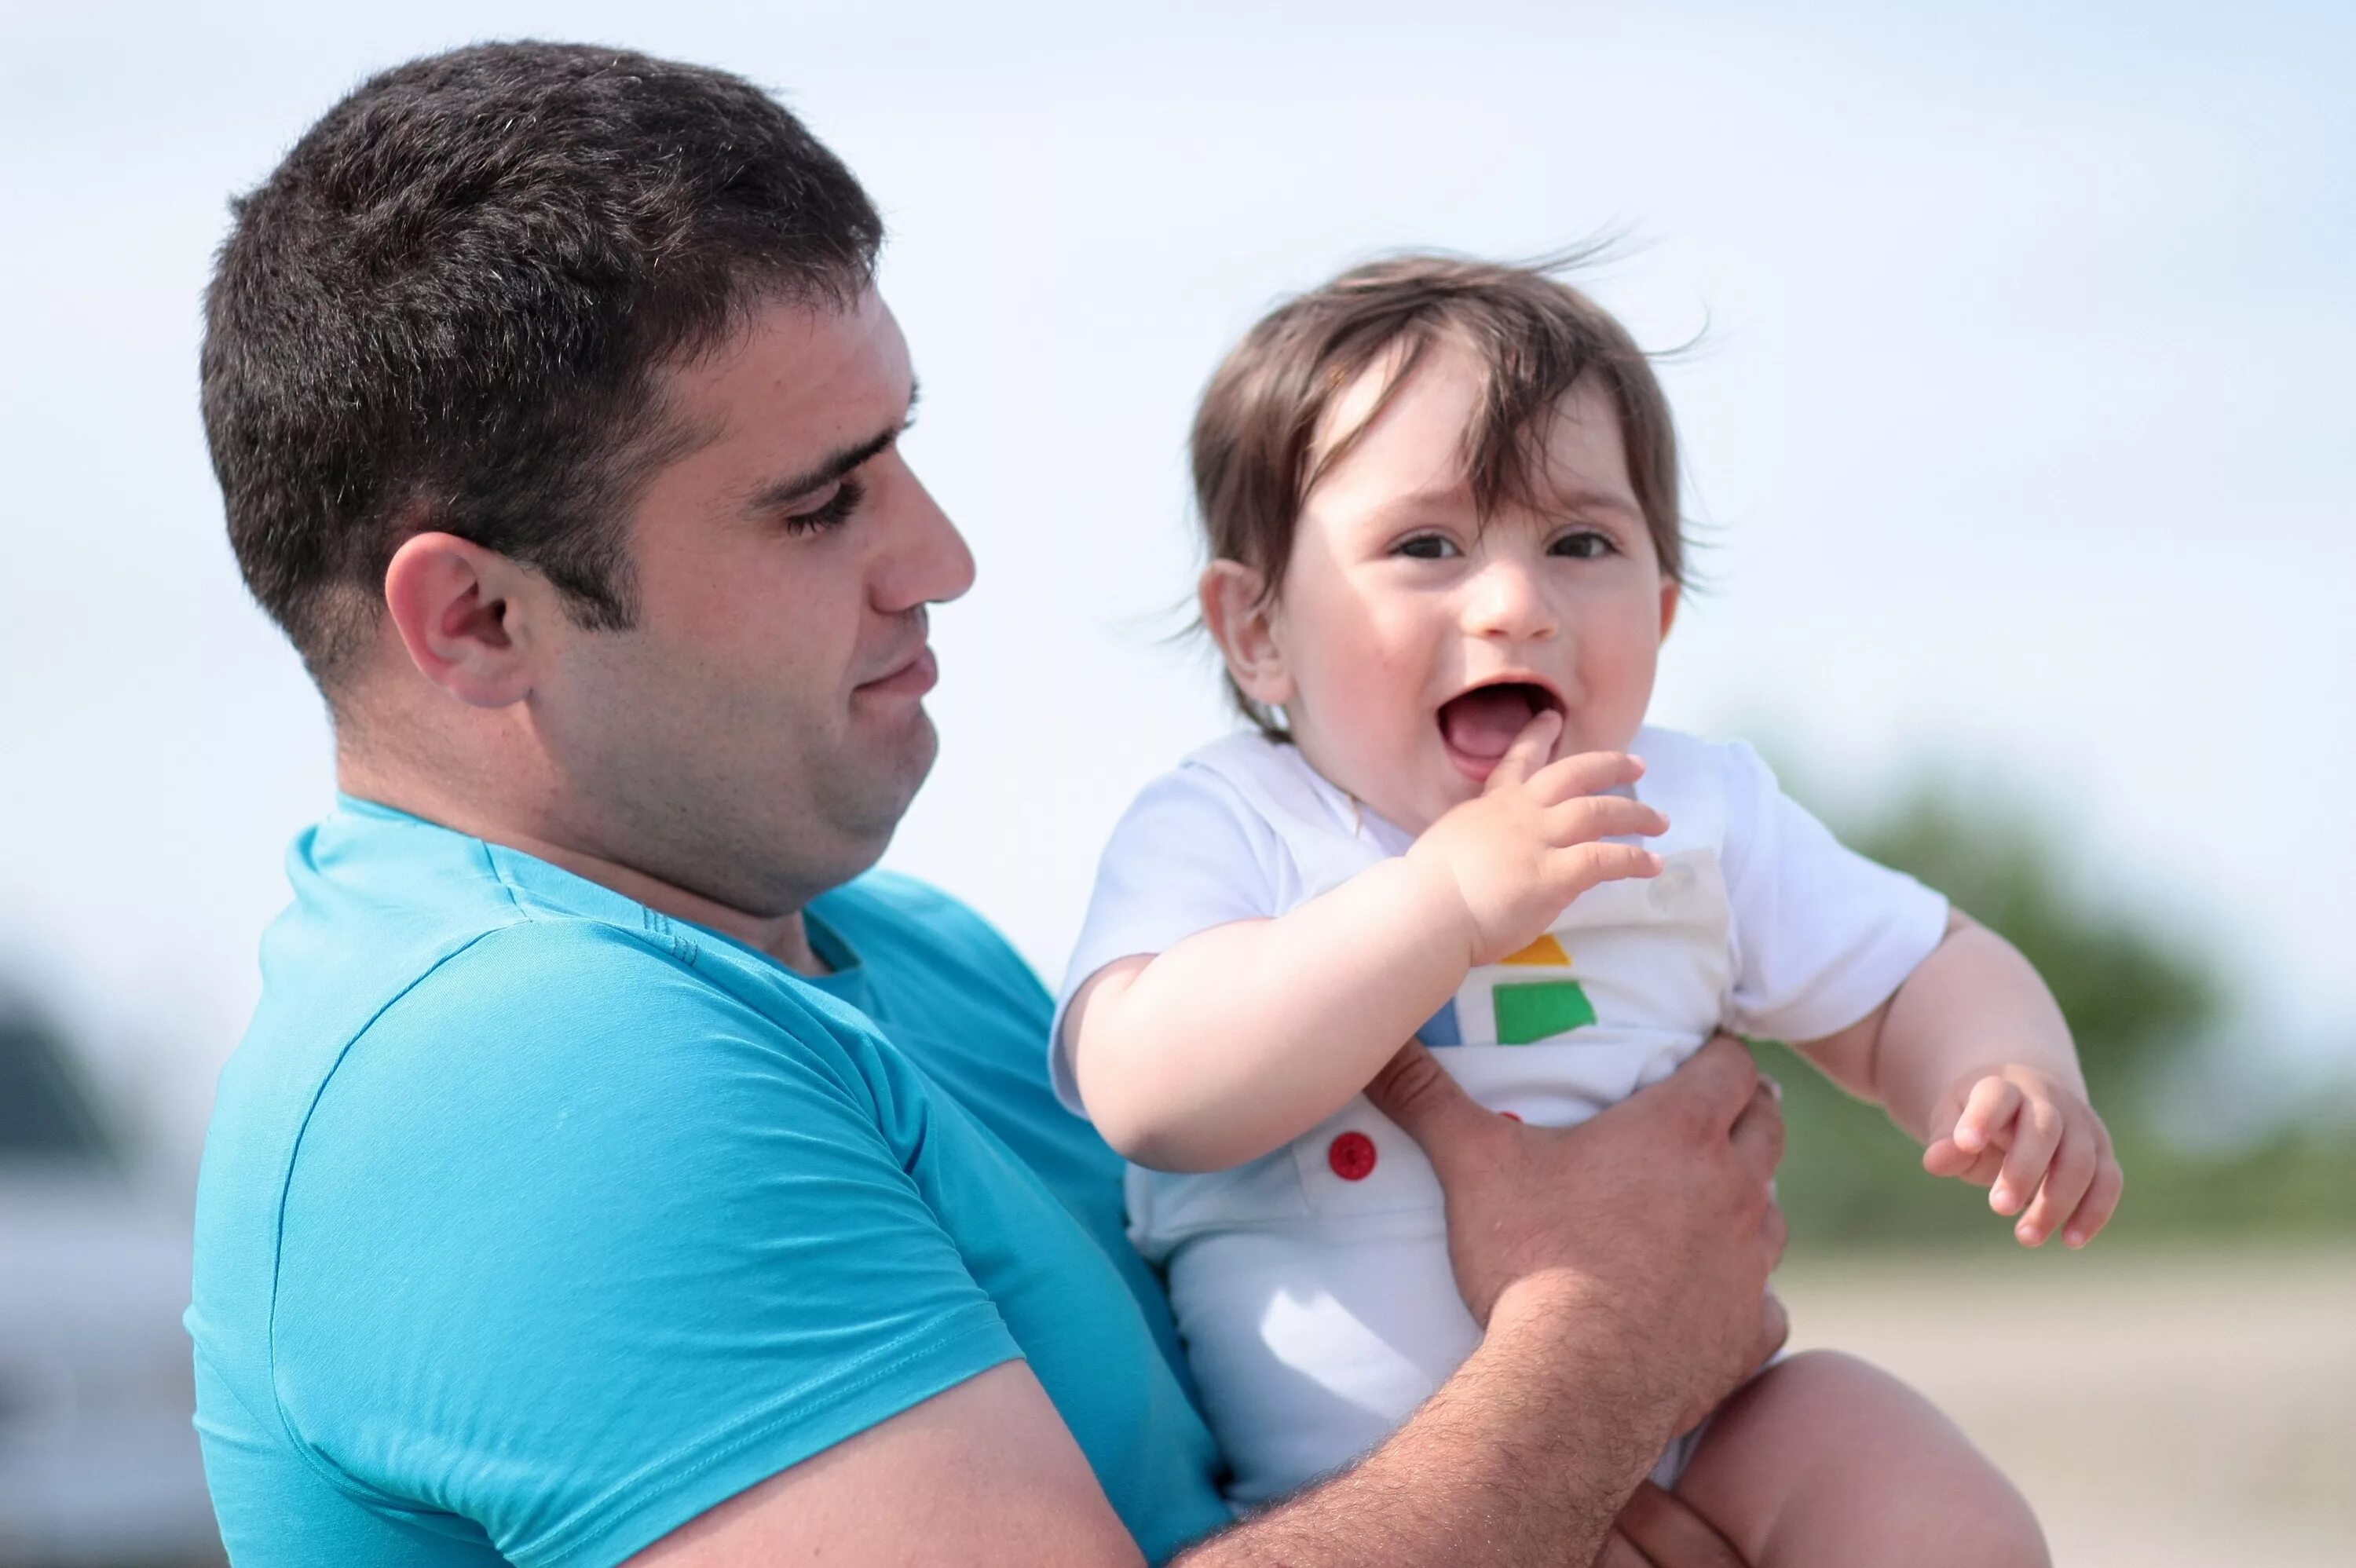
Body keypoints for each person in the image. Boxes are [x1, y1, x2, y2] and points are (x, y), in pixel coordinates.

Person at [185, 42, 1786, 1568]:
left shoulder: (914, 958)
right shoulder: (521, 1074)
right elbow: (1547, 1390)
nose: (941, 560)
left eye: (900, 454)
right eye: (821, 506)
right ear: (477, 621)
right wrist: (1596, 1350)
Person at [1055, 255, 2127, 1564]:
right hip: (1362, 1494)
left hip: (1704, 1425)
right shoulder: (1230, 824)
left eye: (1581, 544)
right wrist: (1442, 900)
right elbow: (1150, 1085)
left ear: (1661, 612)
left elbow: (1922, 964)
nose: (1517, 603)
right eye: (1427, 546)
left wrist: (2003, 1068)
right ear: (1257, 629)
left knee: (1897, 1465)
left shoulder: (1690, 808)